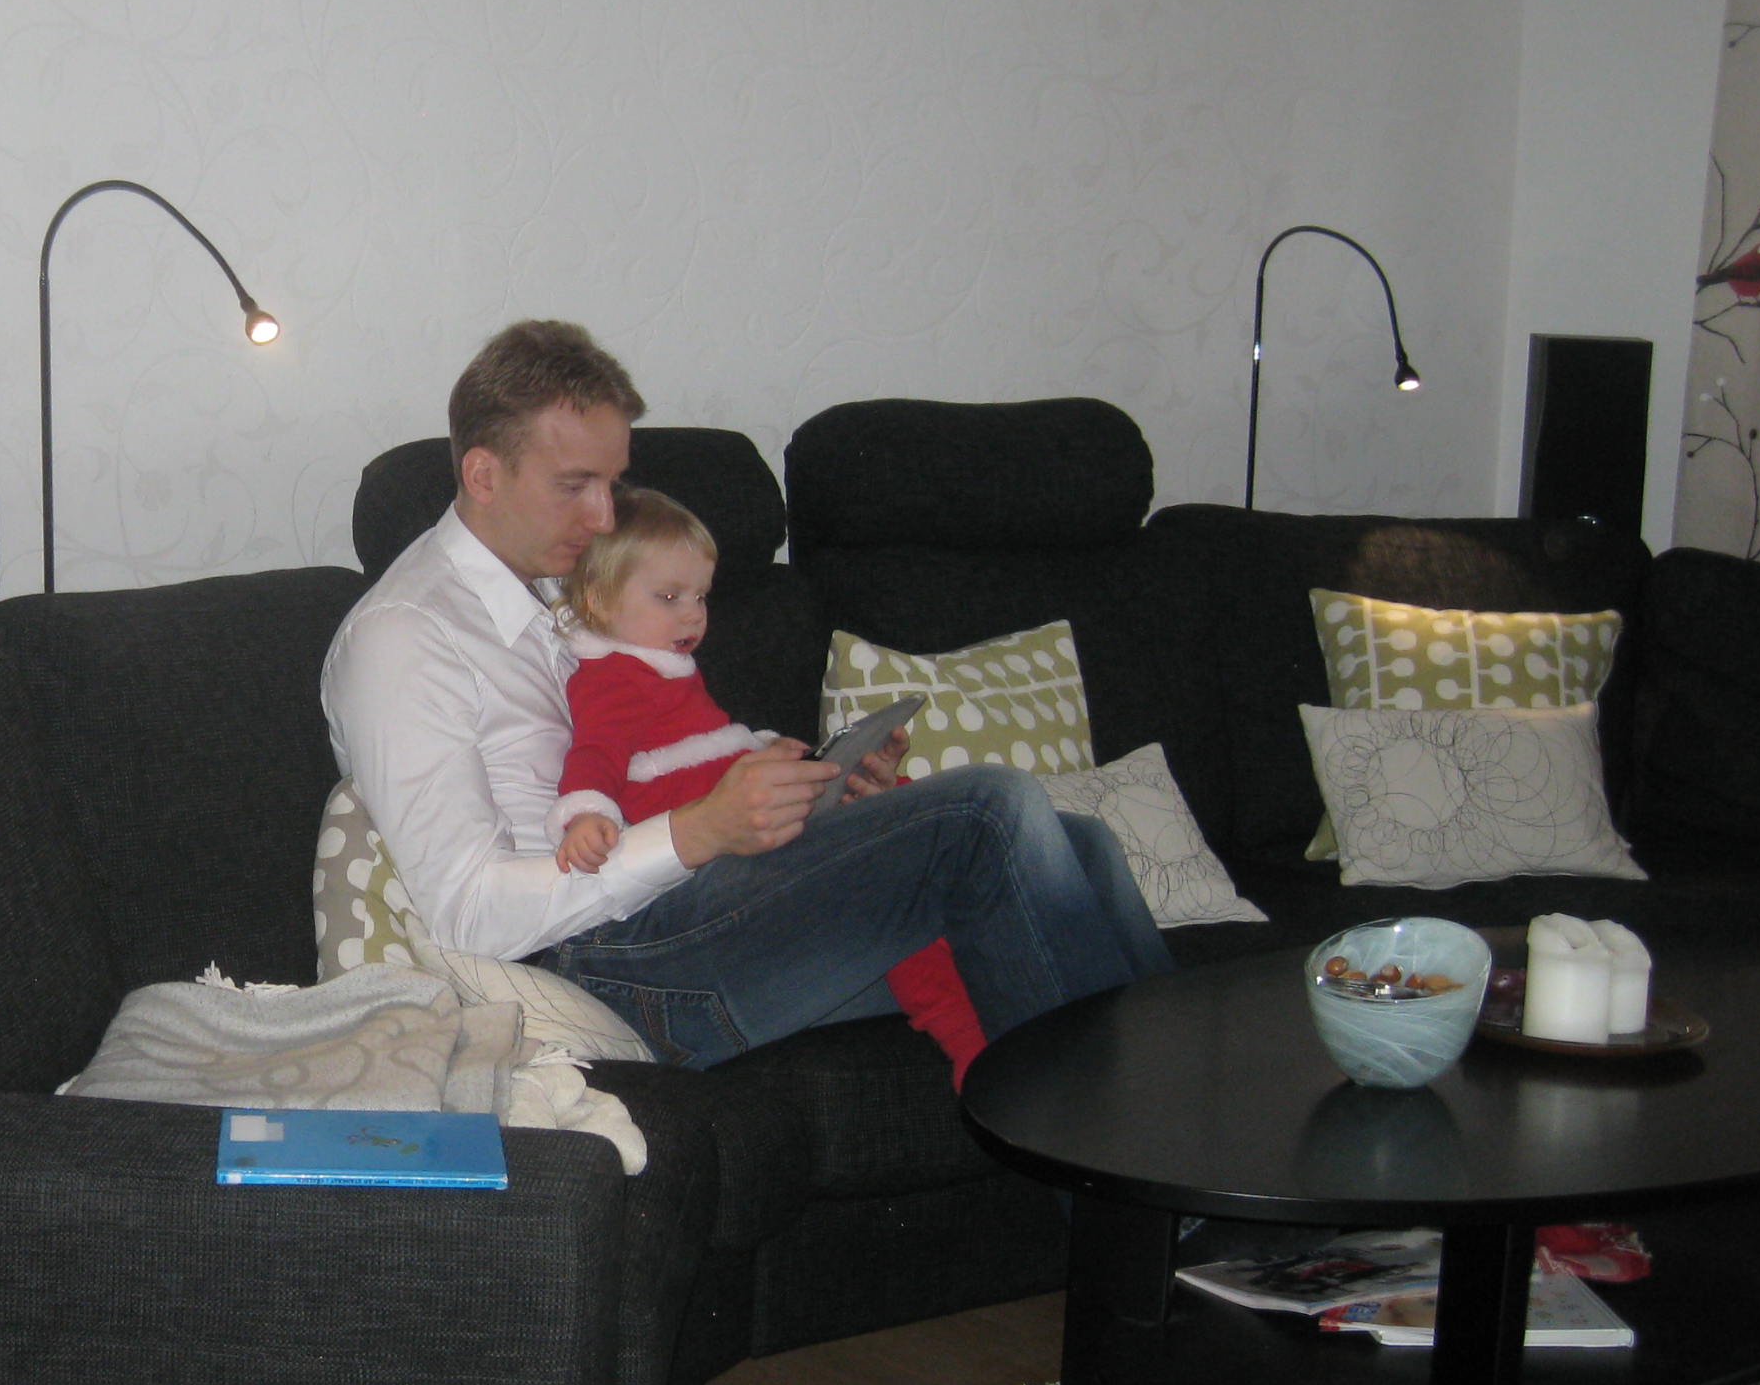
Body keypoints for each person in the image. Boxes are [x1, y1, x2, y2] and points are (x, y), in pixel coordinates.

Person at [319, 317, 1169, 1070]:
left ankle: (1165, 1150)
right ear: (483, 474)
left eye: (613, 483)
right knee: (987, 809)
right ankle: (1132, 1163)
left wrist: (818, 794)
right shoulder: (406, 639)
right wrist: (700, 830)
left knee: (1079, 846)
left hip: (700, 906)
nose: (606, 517)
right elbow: (466, 916)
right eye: (574, 485)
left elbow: (663, 751)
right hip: (608, 963)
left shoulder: (561, 587)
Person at [547, 484, 988, 1074]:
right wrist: (587, 813)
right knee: (905, 869)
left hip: (751, 823)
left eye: (701, 596)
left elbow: (704, 747)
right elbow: (594, 754)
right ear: (597, 598)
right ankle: (964, 1033)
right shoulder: (610, 677)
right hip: (717, 858)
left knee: (906, 808)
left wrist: (774, 752)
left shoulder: (664, 666)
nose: (693, 614)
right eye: (670, 596)